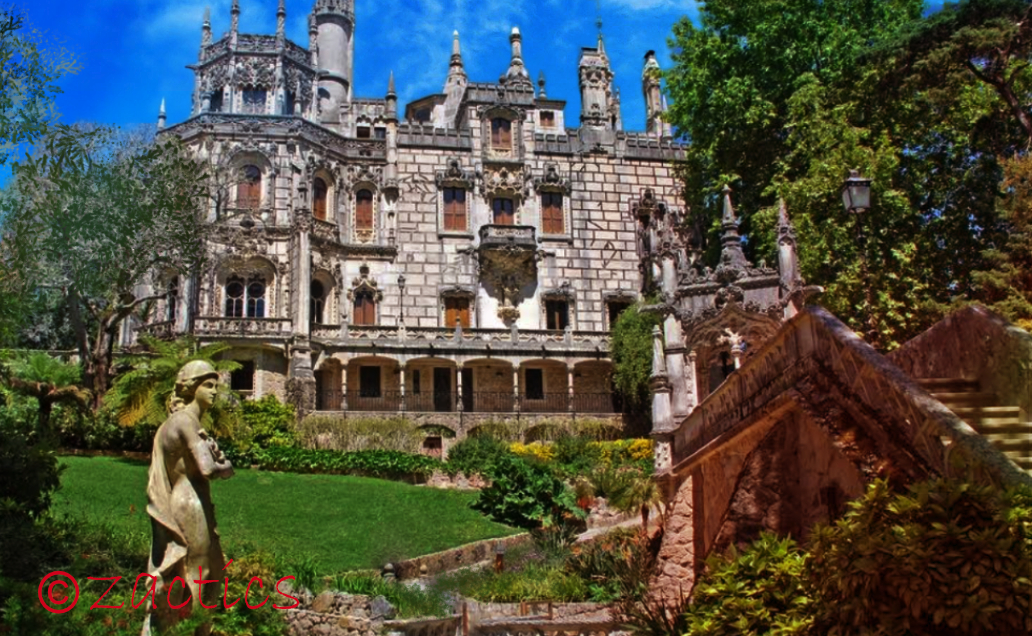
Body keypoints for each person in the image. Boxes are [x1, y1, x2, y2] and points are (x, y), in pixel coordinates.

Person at [143, 360, 234, 636]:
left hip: (185, 498)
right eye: (208, 385)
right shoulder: (186, 422)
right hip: (190, 501)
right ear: (192, 388)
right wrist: (227, 466)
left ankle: (168, 627)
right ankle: (194, 630)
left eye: (215, 386)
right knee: (199, 572)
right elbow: (208, 469)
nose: (215, 392)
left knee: (191, 569)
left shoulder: (182, 421)